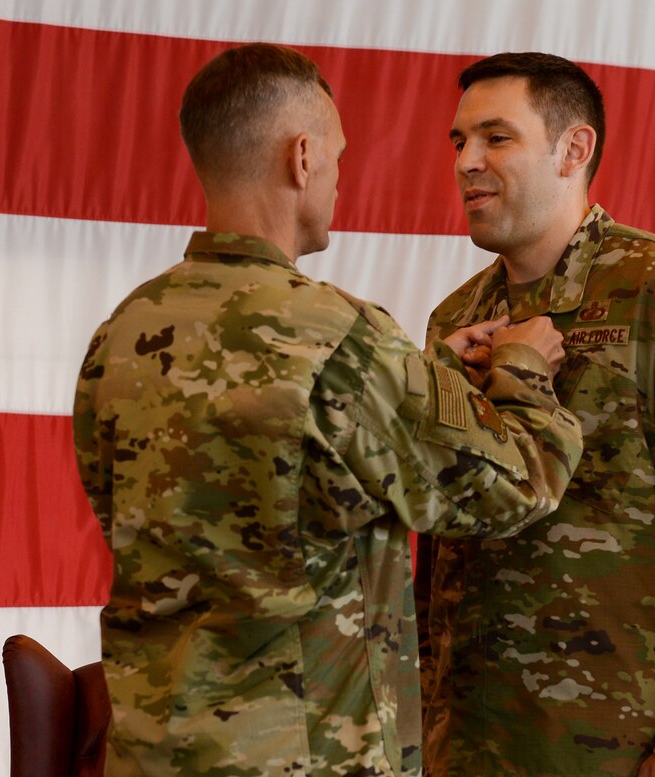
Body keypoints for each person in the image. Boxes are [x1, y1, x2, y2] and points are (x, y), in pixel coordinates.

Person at [72, 43, 585, 776]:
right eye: (338, 156)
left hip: (153, 752)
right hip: (304, 756)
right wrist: (525, 370)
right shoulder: (338, 338)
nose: (340, 178)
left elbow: (263, 463)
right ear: (302, 157)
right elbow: (513, 486)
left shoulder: (123, 331)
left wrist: (428, 377)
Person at [415, 52, 655, 777]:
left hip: (628, 746)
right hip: (470, 742)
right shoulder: (456, 318)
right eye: (459, 141)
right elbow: (438, 547)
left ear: (574, 149)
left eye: (496, 138)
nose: (466, 162)